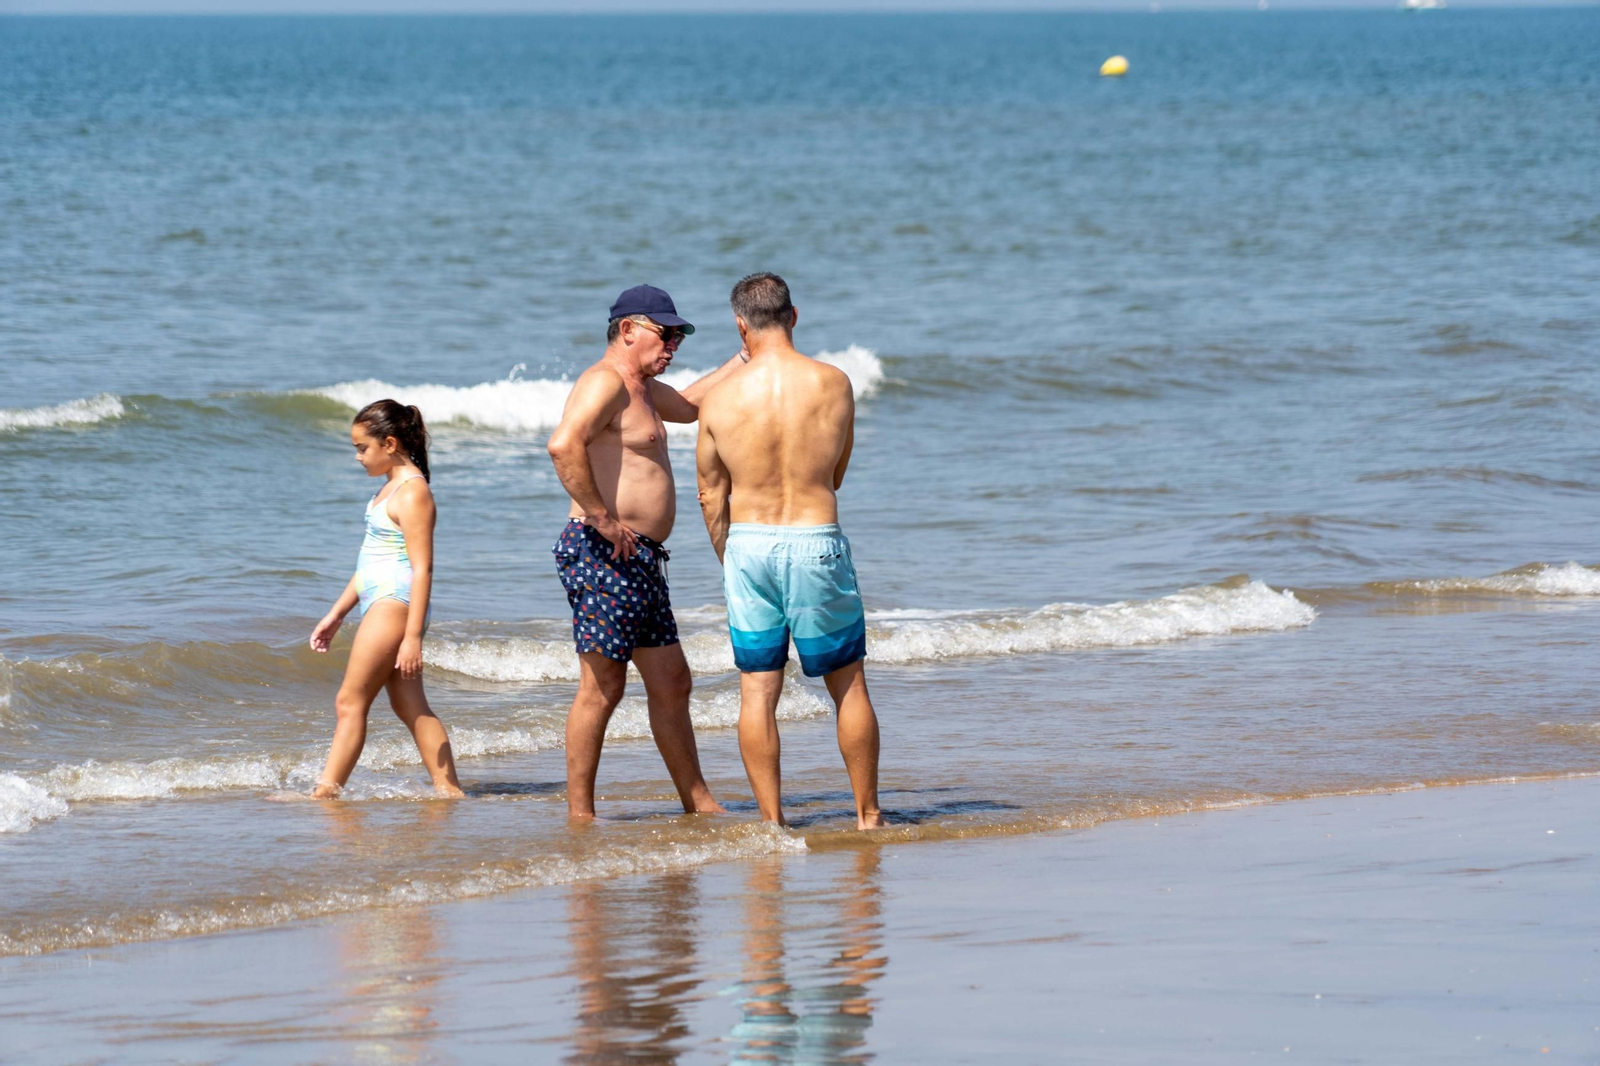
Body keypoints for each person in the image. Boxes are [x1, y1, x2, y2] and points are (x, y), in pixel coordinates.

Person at [546, 284, 746, 819]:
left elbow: (690, 407)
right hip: (600, 551)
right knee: (603, 683)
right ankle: (580, 814)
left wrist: (745, 356)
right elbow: (563, 444)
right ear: (628, 329)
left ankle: (698, 802)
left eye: (679, 334)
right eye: (666, 332)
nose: (674, 343)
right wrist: (600, 516)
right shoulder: (605, 382)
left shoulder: (644, 388)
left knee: (672, 679)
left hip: (640, 558)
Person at [695, 273, 885, 830]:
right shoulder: (834, 383)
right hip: (815, 538)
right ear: (793, 316)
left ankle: (773, 823)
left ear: (740, 324)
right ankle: (868, 816)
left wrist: (731, 557)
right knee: (847, 683)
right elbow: (838, 473)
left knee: (757, 690)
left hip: (748, 543)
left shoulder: (720, 398)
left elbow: (710, 493)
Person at [309, 400, 464, 799]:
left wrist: (412, 637)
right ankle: (450, 791)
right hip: (380, 598)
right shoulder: (388, 489)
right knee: (409, 705)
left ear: (390, 443)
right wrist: (337, 613)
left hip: (396, 603)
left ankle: (325, 793)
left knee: (349, 701)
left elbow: (423, 568)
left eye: (362, 448)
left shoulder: (414, 493)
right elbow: (369, 563)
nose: (358, 457)